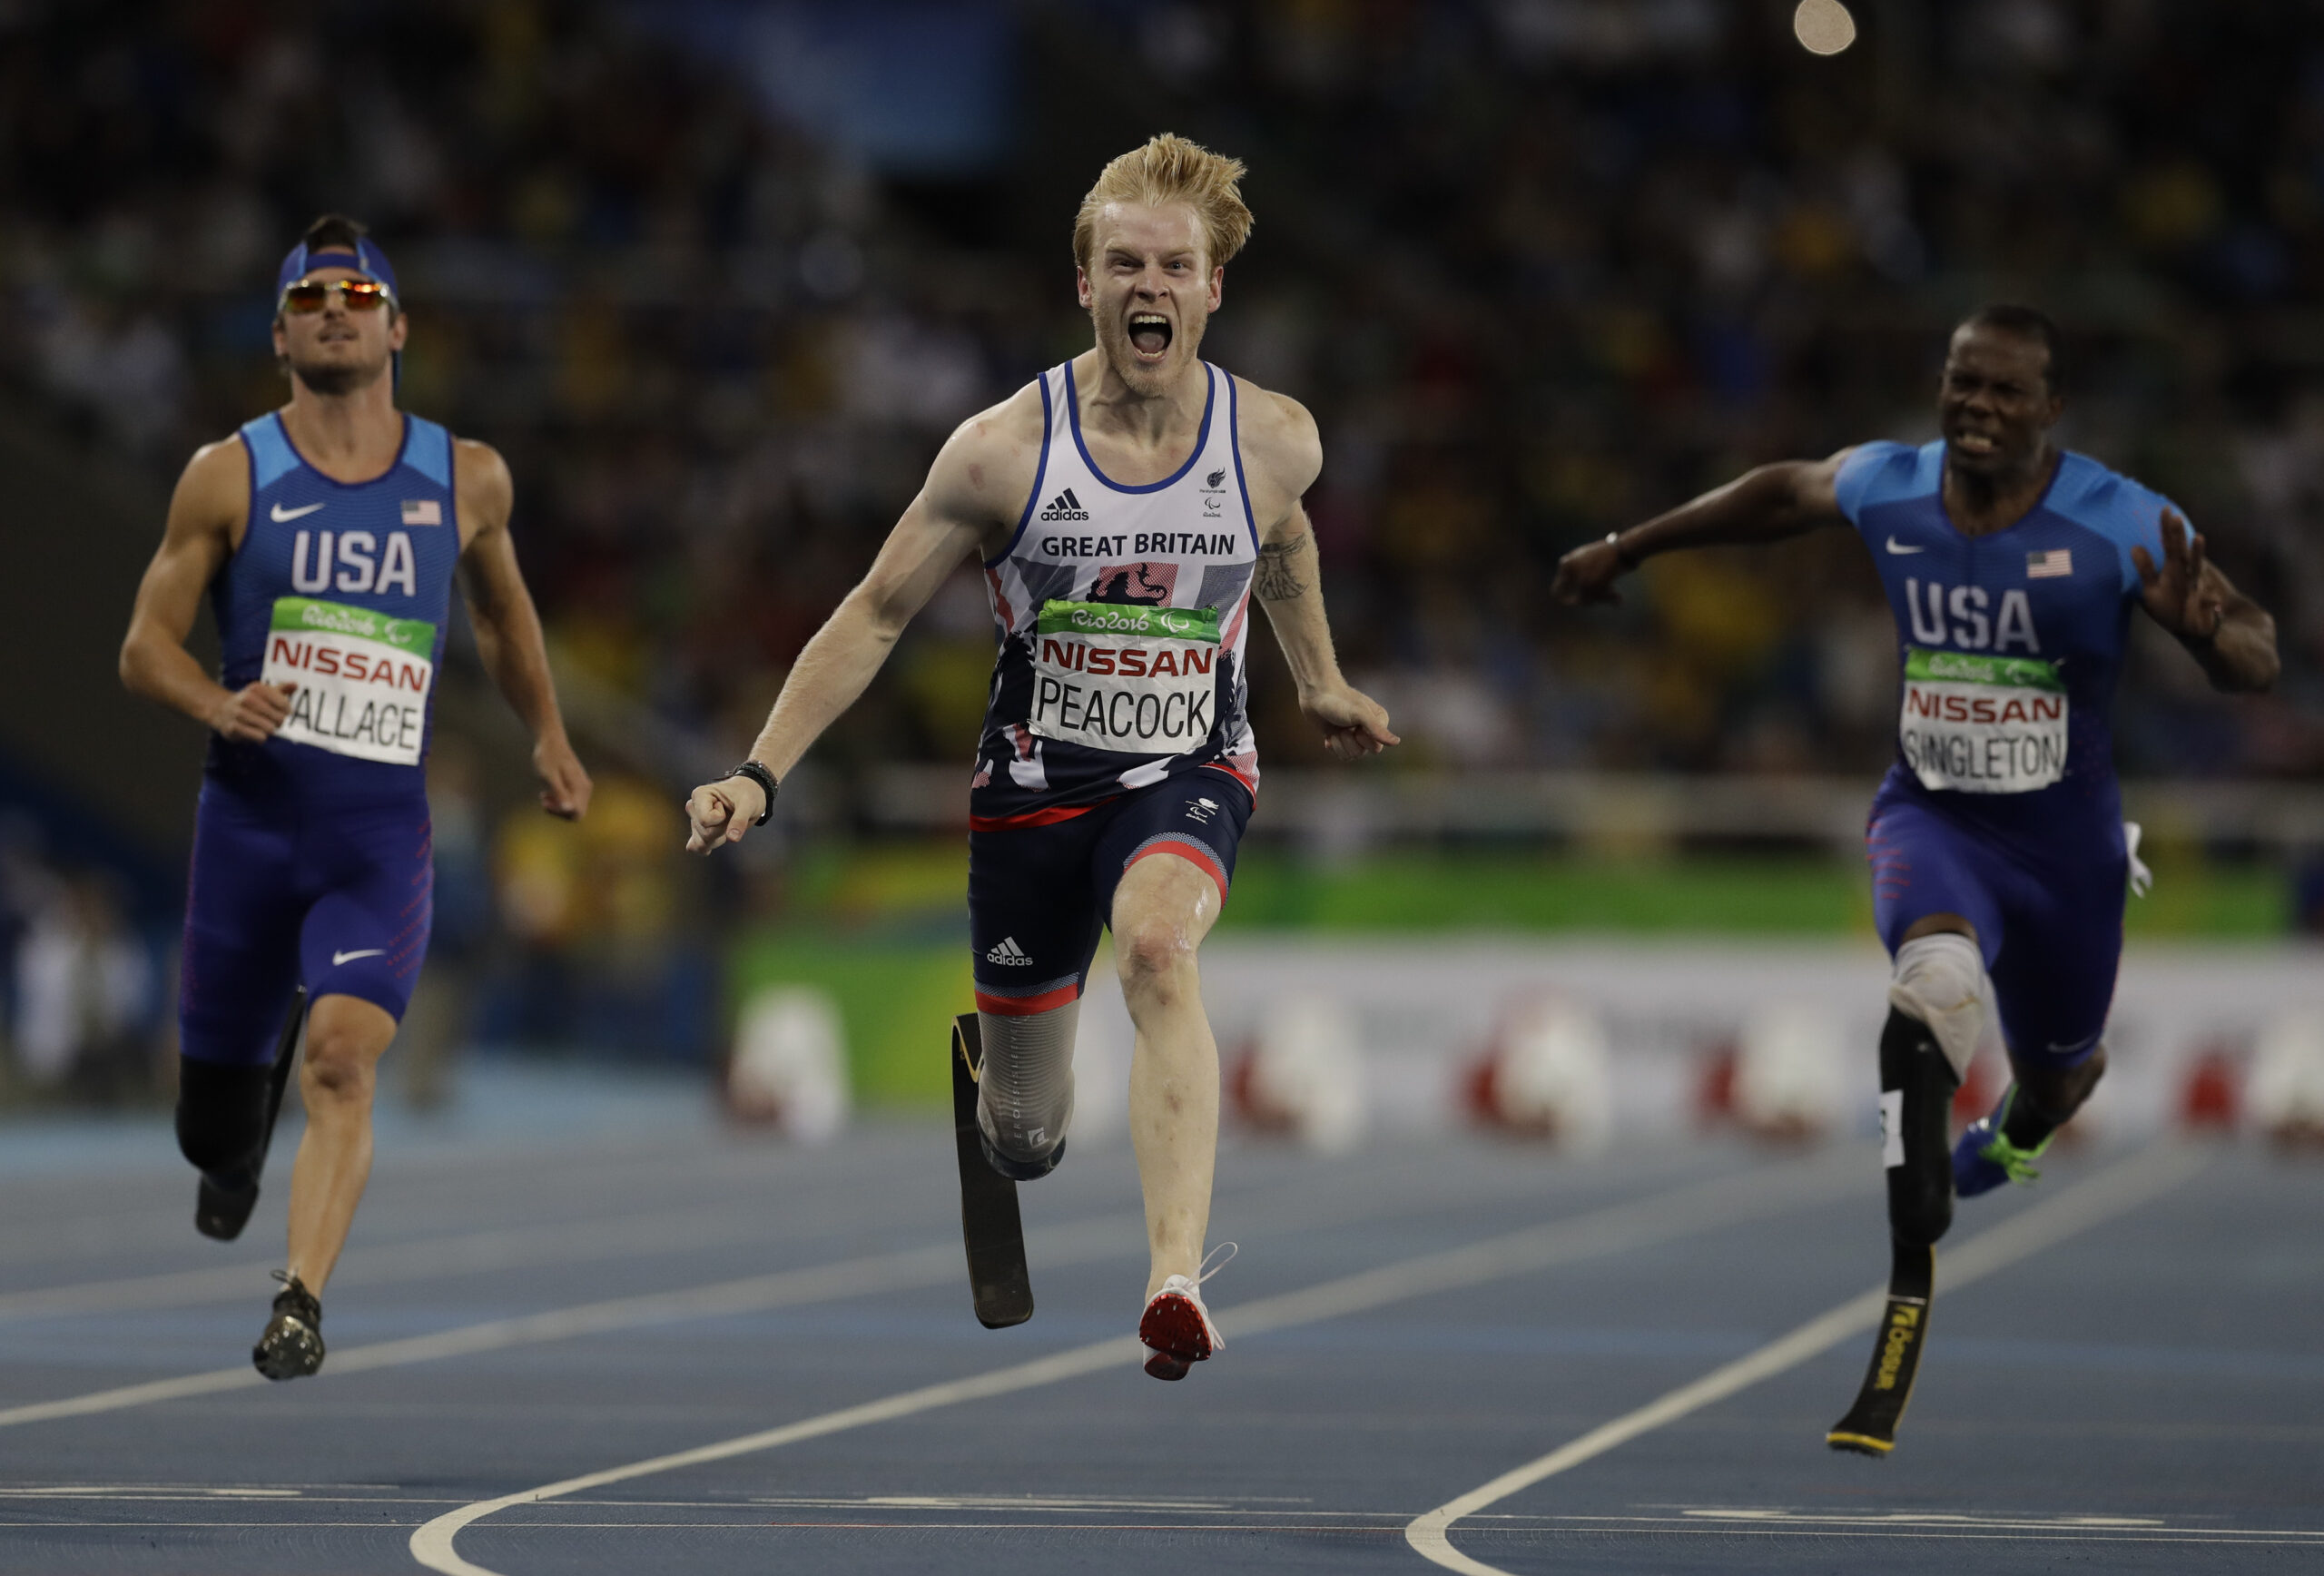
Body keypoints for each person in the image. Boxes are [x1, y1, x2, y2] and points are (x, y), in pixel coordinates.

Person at [684, 134, 1396, 1380]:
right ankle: (1000, 1113)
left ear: (1212, 288)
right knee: (1027, 1135)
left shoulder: (1274, 437)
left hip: (1189, 771)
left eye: (1174, 266)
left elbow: (1279, 543)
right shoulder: (1000, 453)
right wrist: (760, 771)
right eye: (1123, 263)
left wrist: (1318, 680)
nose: (1148, 288)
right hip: (1030, 796)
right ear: (1085, 283)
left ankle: (1173, 1277)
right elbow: (874, 614)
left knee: (1161, 954)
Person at [1555, 303, 2278, 1255]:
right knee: (1931, 978)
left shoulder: (2120, 517)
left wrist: (2208, 637)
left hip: (2066, 852)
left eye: (2005, 389)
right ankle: (1916, 1171)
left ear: (2050, 406)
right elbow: (1782, 493)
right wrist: (1630, 544)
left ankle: (2021, 1127)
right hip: (1933, 820)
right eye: (1961, 380)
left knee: (2061, 1073)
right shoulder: (1891, 482)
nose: (1977, 404)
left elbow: (2255, 655)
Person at [120, 215, 591, 1379]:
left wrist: (548, 735)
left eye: (359, 294)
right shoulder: (228, 473)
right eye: (314, 295)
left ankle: (300, 1299)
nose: (339, 307)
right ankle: (233, 1154)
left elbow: (499, 614)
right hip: (246, 832)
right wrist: (213, 703)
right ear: (281, 332)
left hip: (376, 842)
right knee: (209, 1125)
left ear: (397, 326)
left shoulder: (463, 474)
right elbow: (142, 646)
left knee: (341, 1058)